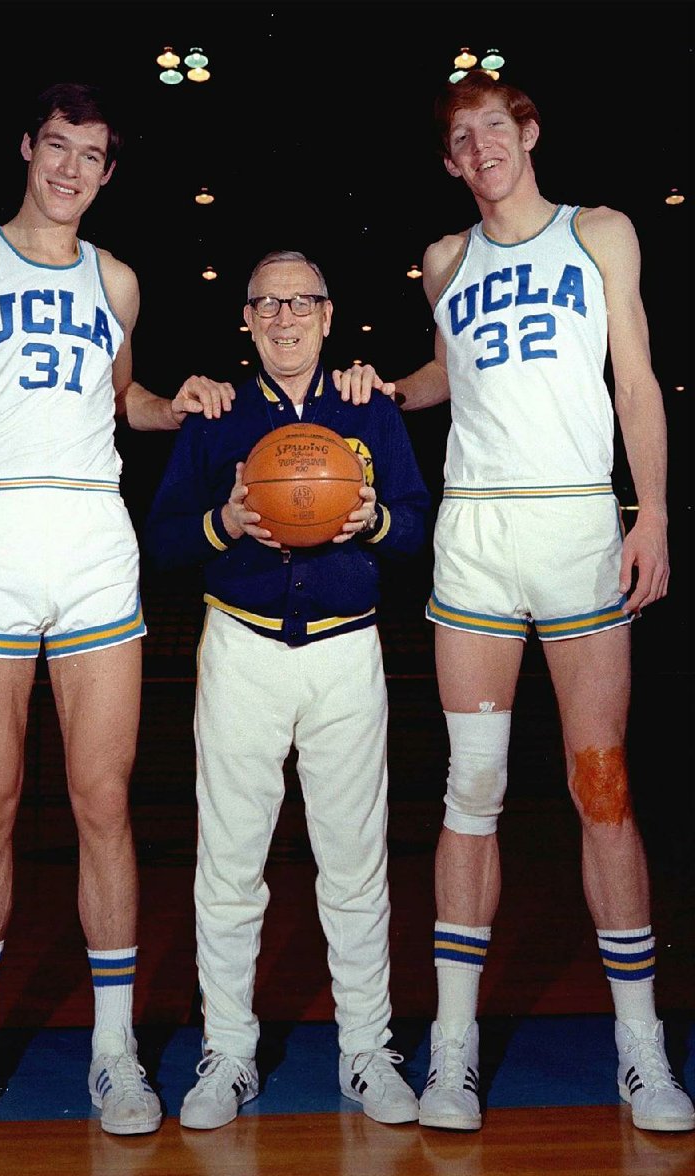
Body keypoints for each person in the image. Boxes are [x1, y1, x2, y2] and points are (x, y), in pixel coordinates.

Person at [0, 81, 242, 1145]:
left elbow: (118, 399)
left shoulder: (119, 281)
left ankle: (111, 1053)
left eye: (91, 156)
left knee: (103, 804)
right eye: (57, 147)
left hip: (93, 541)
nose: (70, 169)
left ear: (107, 172)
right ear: (27, 149)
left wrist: (166, 404)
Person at [390, 71, 694, 1134]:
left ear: (524, 132)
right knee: (467, 793)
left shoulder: (598, 232)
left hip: (574, 528)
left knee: (600, 787)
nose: (479, 152)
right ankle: (453, 1051)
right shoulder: (443, 260)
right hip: (476, 538)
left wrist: (648, 512)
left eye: (492, 130)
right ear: (447, 162)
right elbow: (445, 374)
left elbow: (634, 378)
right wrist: (382, 393)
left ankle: (638, 1049)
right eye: (459, 142)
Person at [144, 249, 433, 1130]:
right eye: (264, 303)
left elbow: (418, 526)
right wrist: (220, 522)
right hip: (241, 650)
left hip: (346, 655)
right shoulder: (215, 415)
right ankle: (228, 1049)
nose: (282, 317)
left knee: (354, 865)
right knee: (230, 866)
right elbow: (159, 541)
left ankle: (365, 1048)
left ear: (328, 313)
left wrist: (375, 517)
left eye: (299, 300)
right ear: (246, 319)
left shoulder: (367, 406)